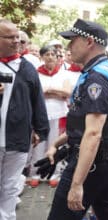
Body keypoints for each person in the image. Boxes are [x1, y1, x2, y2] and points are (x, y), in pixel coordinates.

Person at [46, 18, 108, 220]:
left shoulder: (96, 78)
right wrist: (57, 143)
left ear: (89, 42)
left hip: (91, 163)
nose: (68, 46)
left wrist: (76, 184)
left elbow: (93, 133)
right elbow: (86, 124)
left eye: (72, 40)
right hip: (106, 161)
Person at [0, 19, 49, 220]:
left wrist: (39, 129)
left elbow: (38, 100)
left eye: (17, 37)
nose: (16, 41)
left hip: (18, 137)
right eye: (9, 37)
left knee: (11, 185)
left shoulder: (27, 68)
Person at [29, 45, 71, 188]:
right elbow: (35, 93)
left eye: (53, 54)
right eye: (47, 54)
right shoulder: (36, 73)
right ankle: (36, 173)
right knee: (39, 144)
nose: (50, 57)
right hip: (41, 113)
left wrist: (50, 90)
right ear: (41, 57)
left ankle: (54, 172)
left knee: (55, 143)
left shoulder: (63, 73)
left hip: (59, 113)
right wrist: (55, 93)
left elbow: (67, 93)